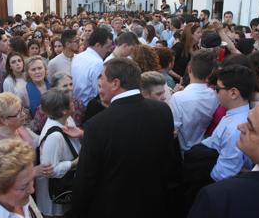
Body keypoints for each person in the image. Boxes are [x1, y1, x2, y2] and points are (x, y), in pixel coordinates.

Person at [72, 58, 182, 218]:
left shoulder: (96, 126)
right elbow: (170, 163)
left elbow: (86, 181)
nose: (99, 84)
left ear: (115, 83)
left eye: (101, 78)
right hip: (155, 205)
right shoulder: (162, 111)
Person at [36, 89, 81, 217]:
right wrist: (74, 163)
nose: (74, 103)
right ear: (63, 111)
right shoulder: (54, 136)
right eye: (71, 102)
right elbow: (51, 170)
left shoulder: (67, 120)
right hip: (56, 196)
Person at [170, 50, 219, 152]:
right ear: (210, 73)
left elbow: (173, 130)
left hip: (182, 151)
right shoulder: (215, 95)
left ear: (189, 69)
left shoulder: (178, 98)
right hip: (204, 147)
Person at [72, 27, 113, 106]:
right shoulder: (97, 62)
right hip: (89, 107)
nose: (109, 50)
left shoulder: (78, 56)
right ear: (98, 45)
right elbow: (98, 91)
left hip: (78, 105)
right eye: (107, 47)